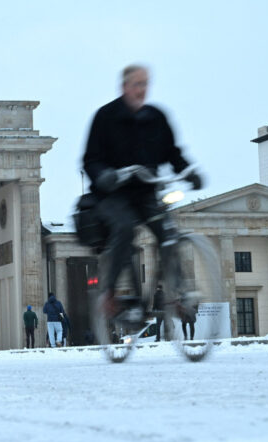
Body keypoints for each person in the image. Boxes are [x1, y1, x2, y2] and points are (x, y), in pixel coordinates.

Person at [82, 64, 202, 324]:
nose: (141, 90)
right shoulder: (105, 117)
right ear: (124, 86)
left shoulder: (156, 117)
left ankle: (178, 294)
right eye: (136, 84)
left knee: (168, 232)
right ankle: (111, 294)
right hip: (112, 196)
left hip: (146, 194)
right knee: (125, 229)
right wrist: (104, 175)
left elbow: (172, 152)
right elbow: (90, 159)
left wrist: (188, 170)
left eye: (145, 84)